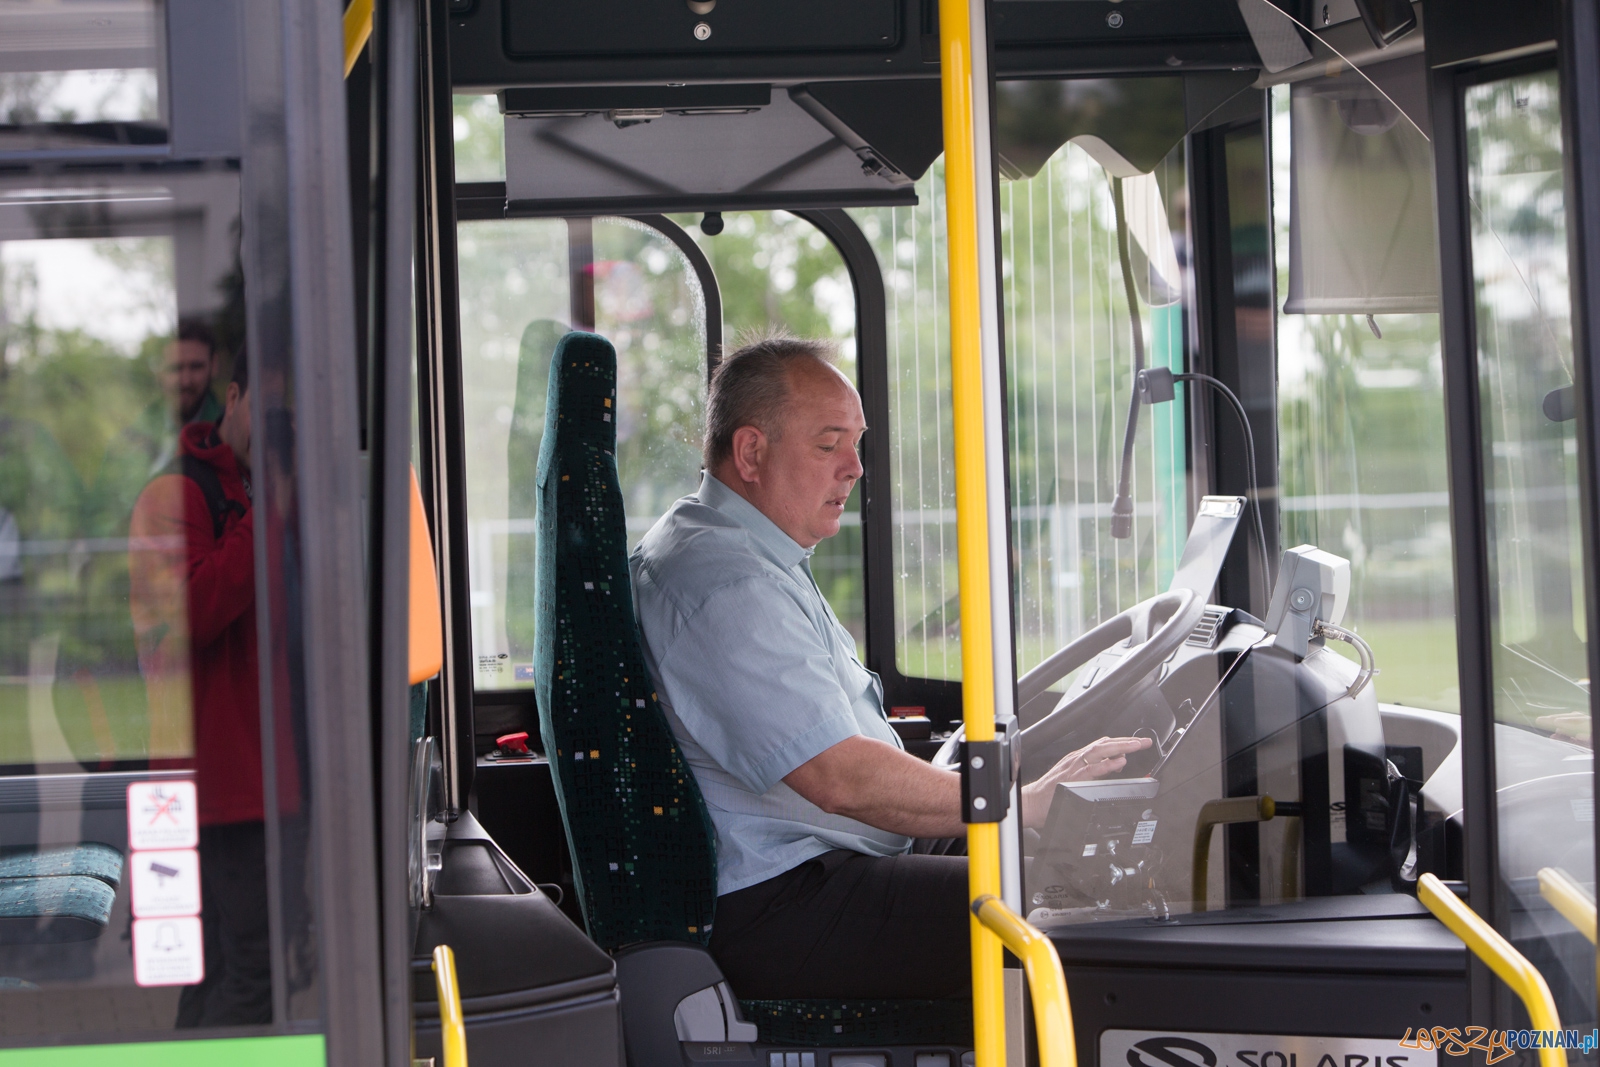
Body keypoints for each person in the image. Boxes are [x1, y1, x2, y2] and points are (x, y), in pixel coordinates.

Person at [630, 334, 1151, 1002]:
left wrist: (1009, 783)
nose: (854, 467)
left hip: (829, 863)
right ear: (752, 451)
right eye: (828, 445)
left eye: (857, 442)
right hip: (789, 904)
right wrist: (1018, 803)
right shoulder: (722, 583)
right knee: (1079, 913)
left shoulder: (742, 551)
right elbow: (839, 776)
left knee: (1058, 871)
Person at [129, 347, 298, 1026]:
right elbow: (188, 614)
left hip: (266, 778)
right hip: (217, 788)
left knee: (227, 969)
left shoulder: (267, 498)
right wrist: (272, 513)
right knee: (251, 970)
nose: (280, 430)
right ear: (233, 398)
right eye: (270, 410)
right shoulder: (178, 493)